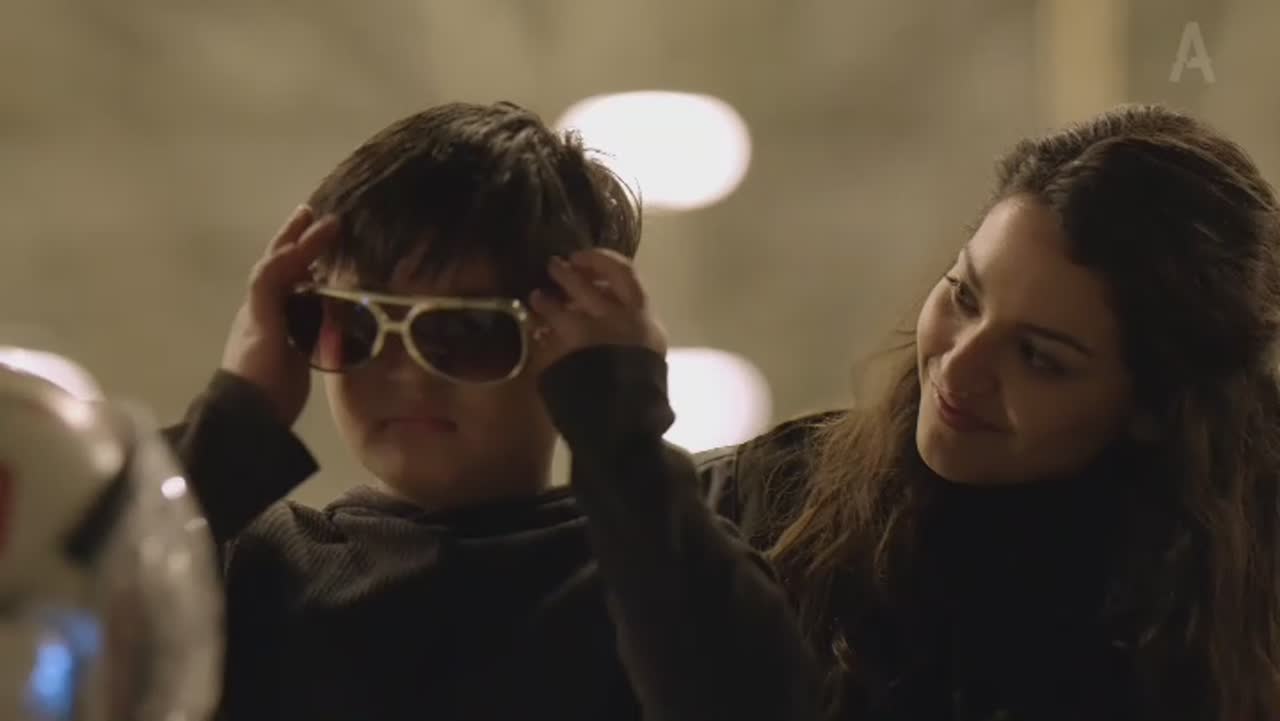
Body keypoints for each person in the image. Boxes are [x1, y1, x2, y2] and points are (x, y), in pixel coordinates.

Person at [163, 101, 818, 721]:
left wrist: (619, 434)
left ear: (570, 339)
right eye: (354, 325)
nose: (405, 370)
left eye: (467, 331)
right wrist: (237, 417)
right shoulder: (248, 565)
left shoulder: (649, 575)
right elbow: (96, 614)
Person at [684, 104, 1280, 720]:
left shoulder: (1187, 662)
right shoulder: (769, 505)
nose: (959, 367)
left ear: (1155, 410)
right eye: (965, 297)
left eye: (1037, 357)